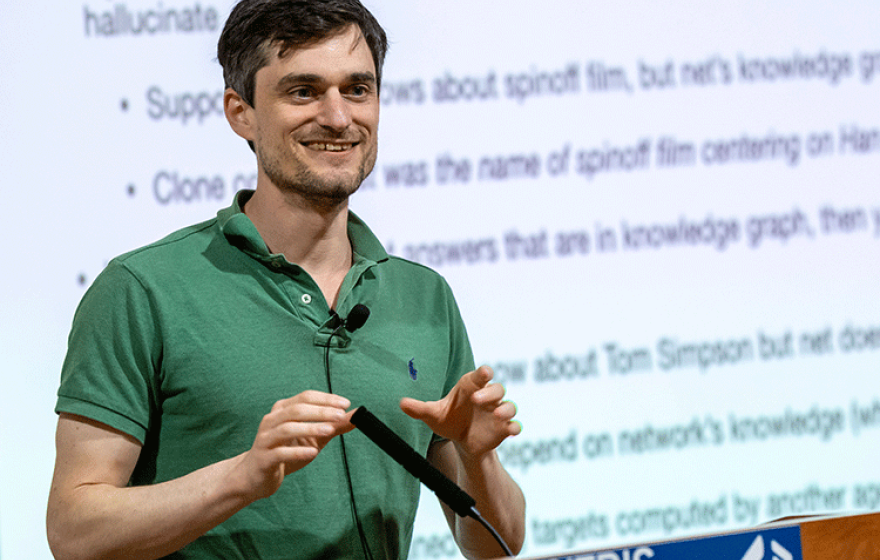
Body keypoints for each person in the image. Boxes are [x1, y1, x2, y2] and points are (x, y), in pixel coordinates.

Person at [46, 1, 526, 559]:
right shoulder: (141, 290)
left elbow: (498, 546)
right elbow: (74, 533)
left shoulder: (425, 296)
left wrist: (477, 456)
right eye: (303, 91)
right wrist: (244, 477)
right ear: (240, 112)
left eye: (357, 89)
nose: (339, 117)